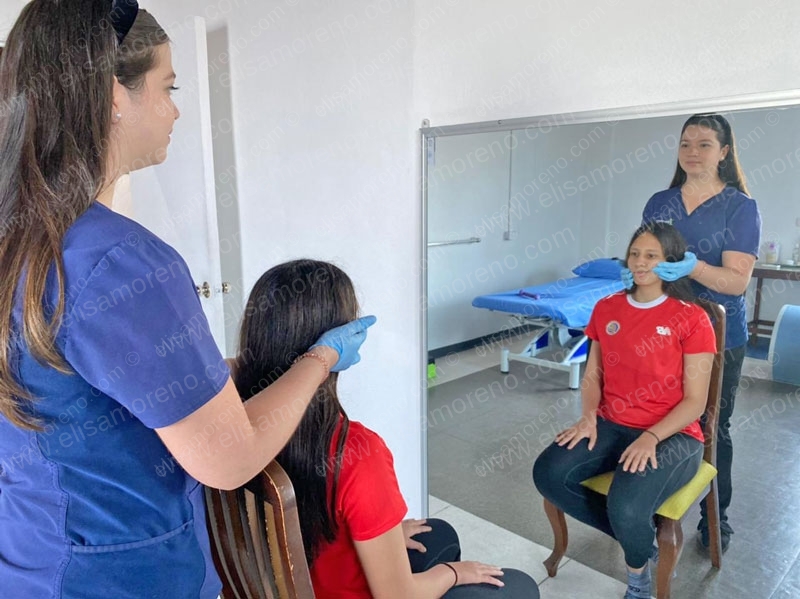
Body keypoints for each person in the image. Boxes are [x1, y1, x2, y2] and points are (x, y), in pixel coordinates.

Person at [0, 2, 374, 598]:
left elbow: (90, 389)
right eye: (167, 87)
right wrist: (321, 358)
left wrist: (238, 370)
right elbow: (230, 459)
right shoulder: (121, 263)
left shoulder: (21, 240)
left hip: (31, 560)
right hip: (121, 580)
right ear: (112, 96)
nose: (174, 109)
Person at [234, 259, 540, 599]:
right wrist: (452, 573)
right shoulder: (357, 453)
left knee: (438, 533)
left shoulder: (229, 433)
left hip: (290, 583)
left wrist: (384, 537)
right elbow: (398, 595)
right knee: (519, 586)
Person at [533, 222, 717, 599]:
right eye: (634, 254)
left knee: (626, 505)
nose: (640, 262)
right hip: (611, 423)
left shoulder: (692, 318)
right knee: (548, 473)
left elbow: (695, 402)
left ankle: (638, 582)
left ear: (672, 262)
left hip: (675, 435)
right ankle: (641, 542)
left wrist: (650, 437)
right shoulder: (608, 307)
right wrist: (588, 416)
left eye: (651, 255)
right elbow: (593, 374)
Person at [639, 113, 761, 552]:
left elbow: (737, 282)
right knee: (656, 417)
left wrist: (695, 268)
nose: (692, 152)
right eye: (685, 144)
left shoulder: (739, 207)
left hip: (718, 337)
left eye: (704, 144)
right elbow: (645, 260)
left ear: (724, 152)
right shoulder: (660, 203)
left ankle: (715, 520)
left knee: (712, 427)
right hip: (661, 334)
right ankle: (648, 508)